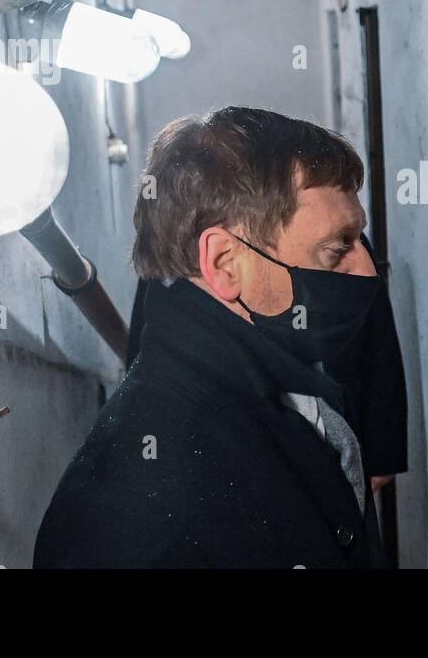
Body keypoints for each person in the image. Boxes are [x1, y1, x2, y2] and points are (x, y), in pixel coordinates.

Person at [33, 107, 407, 568]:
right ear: (226, 262)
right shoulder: (139, 502)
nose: (367, 271)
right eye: (337, 248)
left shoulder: (288, 387)